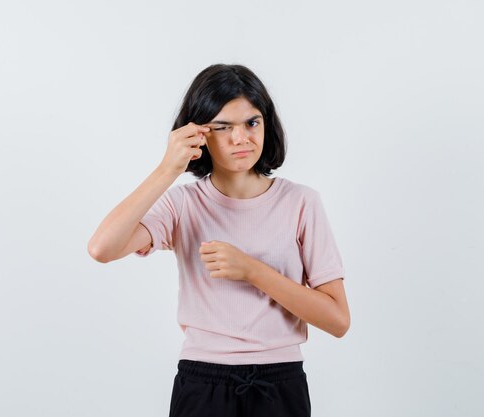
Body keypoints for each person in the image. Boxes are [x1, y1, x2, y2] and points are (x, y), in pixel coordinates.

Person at [87, 63, 350, 417]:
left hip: (280, 382)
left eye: (252, 122)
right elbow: (101, 248)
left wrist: (253, 271)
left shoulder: (301, 202)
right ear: (199, 133)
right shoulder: (183, 203)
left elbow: (337, 320)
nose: (241, 138)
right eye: (223, 127)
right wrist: (168, 168)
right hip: (202, 382)